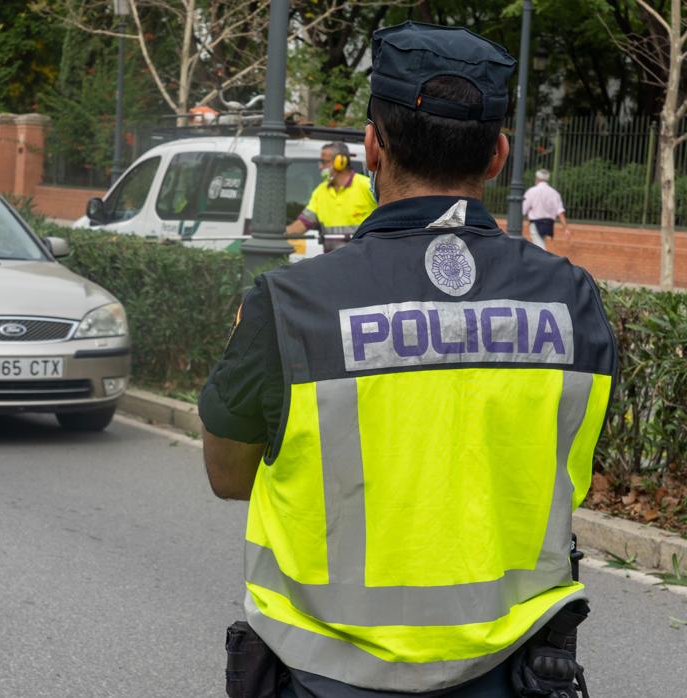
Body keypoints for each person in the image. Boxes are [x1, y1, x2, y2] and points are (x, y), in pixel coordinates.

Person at [201, 22, 615, 698]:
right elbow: (559, 460)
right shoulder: (573, 302)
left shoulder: (289, 306)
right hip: (519, 675)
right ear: (498, 157)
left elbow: (227, 474)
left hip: (323, 679)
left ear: (371, 147)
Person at [286, 141, 377, 253]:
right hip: (333, 261)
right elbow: (303, 223)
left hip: (363, 259)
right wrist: (277, 236)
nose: (320, 167)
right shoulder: (320, 191)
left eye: (324, 162)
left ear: (341, 162)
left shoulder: (366, 186)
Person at [523, 169, 571, 249]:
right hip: (549, 224)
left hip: (536, 223)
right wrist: (566, 229)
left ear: (537, 178)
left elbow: (523, 210)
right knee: (537, 246)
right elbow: (560, 213)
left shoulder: (531, 191)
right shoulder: (554, 193)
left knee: (540, 248)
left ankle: (542, 260)